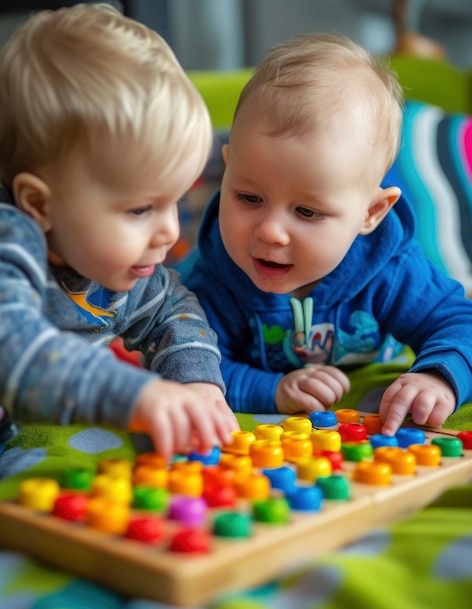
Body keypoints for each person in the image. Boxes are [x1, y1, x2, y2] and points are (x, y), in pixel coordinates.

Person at [185, 33, 472, 436]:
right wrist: (275, 390)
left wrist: (438, 377)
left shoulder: (389, 268)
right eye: (249, 197)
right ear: (227, 169)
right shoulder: (215, 277)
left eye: (307, 211)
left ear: (371, 213)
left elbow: (459, 322)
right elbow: (192, 365)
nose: (270, 230)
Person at [0, 3, 239, 458]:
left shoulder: (115, 263)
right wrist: (136, 395)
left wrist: (197, 382)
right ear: (39, 205)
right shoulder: (8, 240)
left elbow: (172, 310)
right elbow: (16, 351)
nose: (168, 231)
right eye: (140, 209)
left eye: (174, 202)